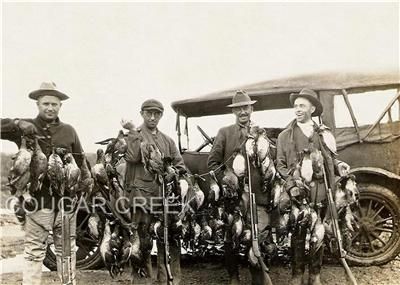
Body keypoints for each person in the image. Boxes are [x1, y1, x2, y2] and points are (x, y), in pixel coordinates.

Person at [1, 82, 92, 285]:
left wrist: (83, 188)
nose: (50, 108)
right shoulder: (26, 127)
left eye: (54, 104)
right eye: (45, 104)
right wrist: (16, 123)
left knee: (66, 251)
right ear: (37, 104)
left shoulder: (69, 131)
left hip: (66, 204)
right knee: (34, 251)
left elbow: (81, 162)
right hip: (37, 201)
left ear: (60, 106)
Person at [276, 88, 350, 285]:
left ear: (313, 108)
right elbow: (280, 166)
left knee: (319, 231)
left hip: (320, 191)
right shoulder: (285, 136)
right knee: (298, 233)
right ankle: (297, 274)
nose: (297, 110)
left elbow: (331, 160)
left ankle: (315, 274)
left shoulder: (323, 133)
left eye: (302, 106)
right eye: (296, 106)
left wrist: (339, 166)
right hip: (298, 191)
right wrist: (291, 186)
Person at [208, 90, 272, 285]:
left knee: (257, 236)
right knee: (231, 238)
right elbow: (212, 163)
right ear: (233, 112)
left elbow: (269, 163)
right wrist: (226, 180)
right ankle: (233, 278)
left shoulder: (261, 133)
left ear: (251, 109)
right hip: (233, 198)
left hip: (257, 197)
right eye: (238, 108)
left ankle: (257, 278)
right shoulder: (224, 133)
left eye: (246, 107)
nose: (243, 111)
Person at [121, 99, 187, 285]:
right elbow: (133, 156)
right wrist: (133, 131)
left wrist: (178, 177)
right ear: (141, 113)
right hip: (141, 199)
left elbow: (180, 165)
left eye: (156, 114)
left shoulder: (167, 140)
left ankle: (170, 281)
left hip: (165, 200)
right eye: (148, 113)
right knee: (142, 244)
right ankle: (143, 283)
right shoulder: (134, 135)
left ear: (161, 115)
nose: (152, 117)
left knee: (170, 242)